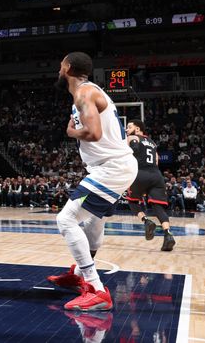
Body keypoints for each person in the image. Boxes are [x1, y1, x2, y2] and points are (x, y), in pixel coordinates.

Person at [47, 52, 137, 312]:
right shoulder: (85, 94)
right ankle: (77, 273)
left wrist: (71, 131)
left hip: (112, 168)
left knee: (65, 219)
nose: (58, 68)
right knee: (92, 221)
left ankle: (96, 289)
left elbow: (94, 133)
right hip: (113, 167)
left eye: (60, 64)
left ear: (68, 67)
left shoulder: (84, 94)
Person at [124, 120, 175, 252]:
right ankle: (168, 234)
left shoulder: (132, 137)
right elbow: (157, 160)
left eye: (129, 127)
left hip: (140, 173)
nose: (126, 129)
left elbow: (133, 149)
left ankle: (146, 221)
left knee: (132, 201)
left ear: (137, 129)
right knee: (158, 207)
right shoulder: (152, 143)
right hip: (156, 176)